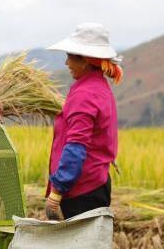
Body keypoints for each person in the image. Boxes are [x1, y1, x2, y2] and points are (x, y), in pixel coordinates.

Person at [44, 23, 121, 221]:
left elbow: (76, 147)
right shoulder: (98, 87)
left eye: (70, 56)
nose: (66, 63)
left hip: (81, 191)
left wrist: (57, 191)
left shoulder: (85, 95)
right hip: (95, 184)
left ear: (85, 60)